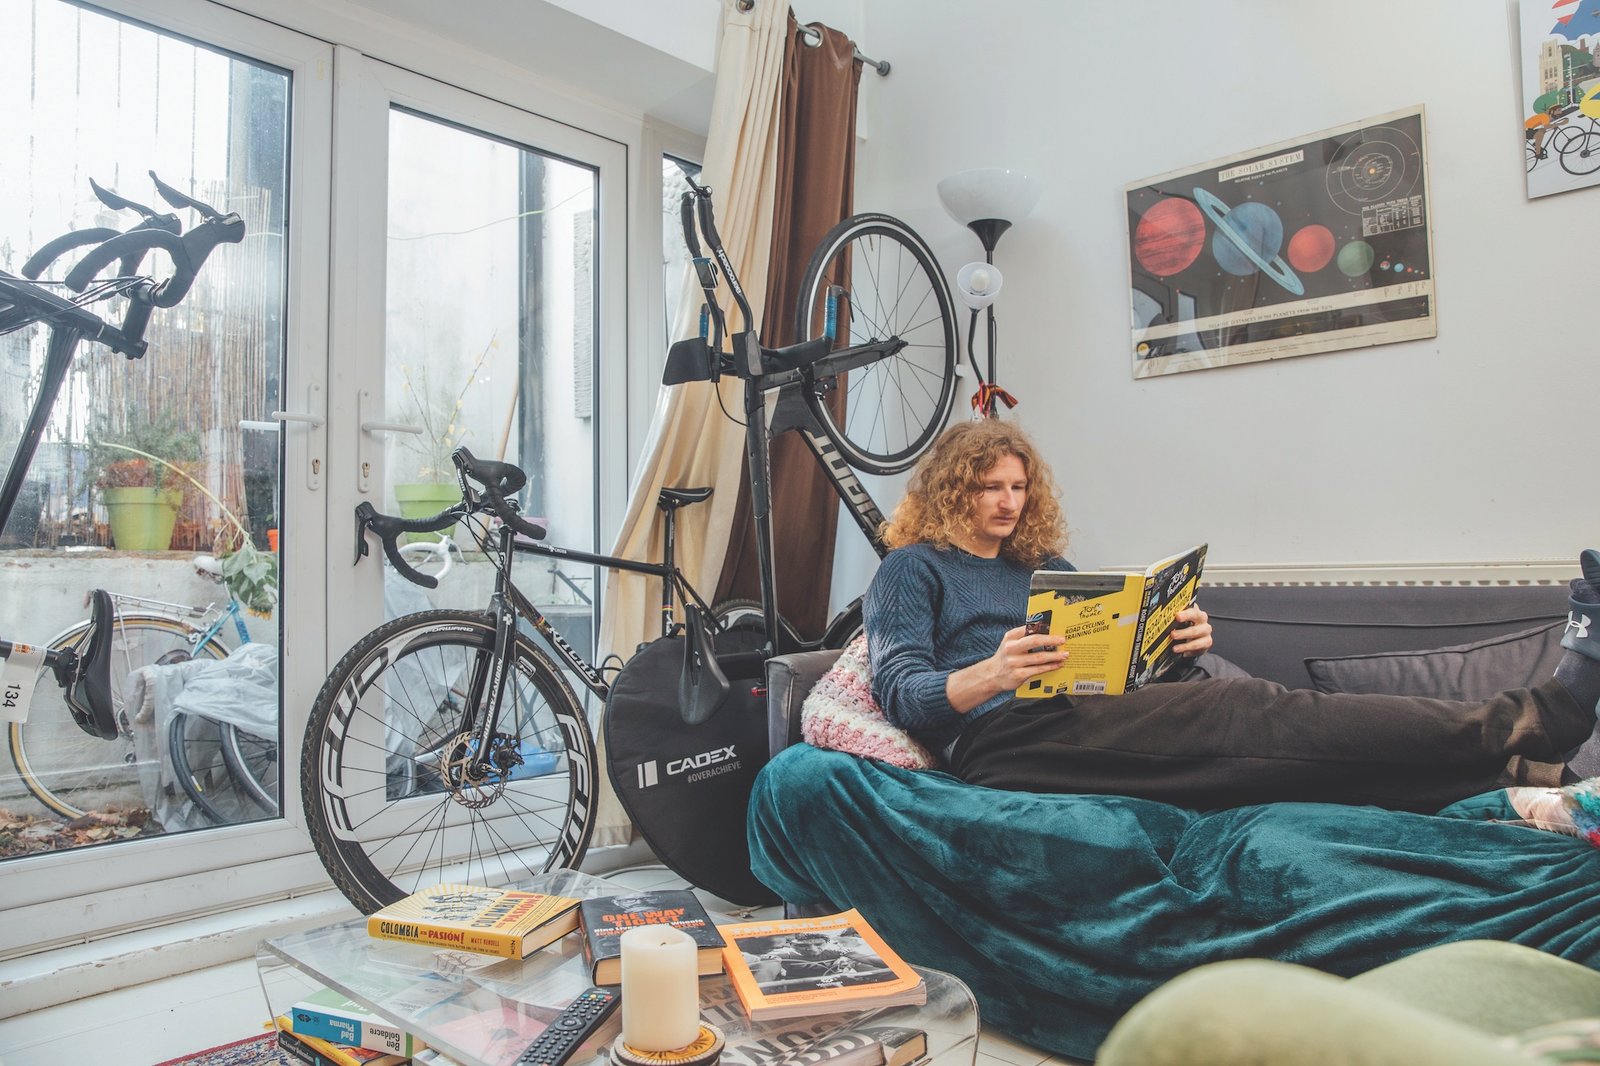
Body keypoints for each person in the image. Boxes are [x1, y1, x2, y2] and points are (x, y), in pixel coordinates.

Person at [863, 420, 1600, 813]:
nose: (1008, 502)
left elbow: (1109, 665)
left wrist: (1176, 644)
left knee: (1267, 754)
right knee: (1249, 708)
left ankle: (1526, 773)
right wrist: (989, 672)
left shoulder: (1047, 571)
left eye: (1019, 486)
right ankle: (1541, 715)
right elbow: (902, 693)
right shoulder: (911, 568)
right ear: (953, 490)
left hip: (1090, 714)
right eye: (989, 487)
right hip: (1005, 743)